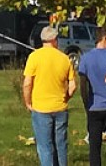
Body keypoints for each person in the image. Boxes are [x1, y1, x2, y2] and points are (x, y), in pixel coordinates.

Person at [22, 25, 76, 166]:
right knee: (61, 145)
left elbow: (27, 83)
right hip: (60, 107)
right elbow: (73, 86)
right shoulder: (64, 58)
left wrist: (28, 102)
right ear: (54, 40)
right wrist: (67, 97)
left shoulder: (34, 57)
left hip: (41, 108)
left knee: (45, 146)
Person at [77, 26, 106, 166]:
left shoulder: (86, 58)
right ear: (105, 39)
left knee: (94, 147)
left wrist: (86, 104)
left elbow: (83, 85)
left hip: (95, 106)